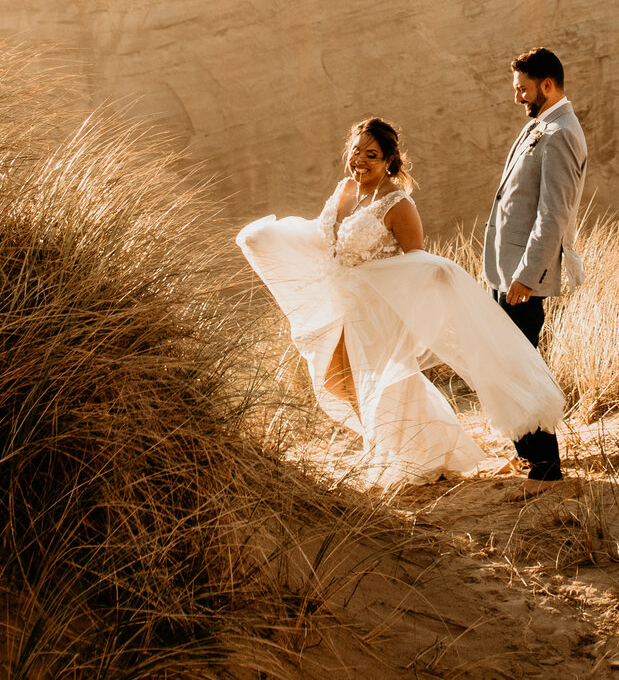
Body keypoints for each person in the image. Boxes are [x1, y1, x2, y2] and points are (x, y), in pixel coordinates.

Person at [237, 118, 565, 489]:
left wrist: (439, 277)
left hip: (379, 309)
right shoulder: (345, 188)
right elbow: (323, 234)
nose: (360, 161)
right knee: (336, 381)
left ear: (390, 160)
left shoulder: (398, 203)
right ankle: (426, 443)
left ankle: (397, 451)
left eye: (371, 155)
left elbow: (415, 261)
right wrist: (269, 237)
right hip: (341, 303)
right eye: (356, 151)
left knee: (379, 384)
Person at [481, 47, 586, 481]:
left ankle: (545, 465)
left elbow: (553, 215)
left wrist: (527, 276)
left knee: (521, 367)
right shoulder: (539, 126)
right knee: (506, 363)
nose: (517, 97)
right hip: (504, 269)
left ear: (546, 84)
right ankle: (527, 453)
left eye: (522, 89)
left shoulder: (560, 133)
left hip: (522, 276)